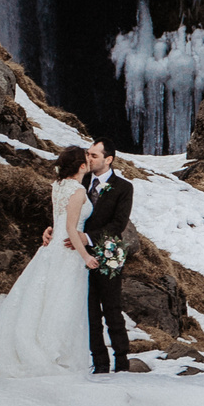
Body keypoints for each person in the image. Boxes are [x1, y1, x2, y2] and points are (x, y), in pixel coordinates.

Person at [0, 146, 96, 377]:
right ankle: (54, 351)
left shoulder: (58, 186)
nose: (90, 161)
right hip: (68, 250)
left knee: (43, 297)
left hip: (52, 248)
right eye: (87, 158)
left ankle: (43, 345)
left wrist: (51, 231)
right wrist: (86, 256)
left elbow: (58, 221)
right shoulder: (77, 190)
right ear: (81, 166)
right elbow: (71, 228)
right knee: (63, 298)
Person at [80, 141, 135, 373]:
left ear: (108, 159)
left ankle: (121, 360)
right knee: (90, 310)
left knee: (111, 308)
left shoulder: (123, 187)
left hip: (108, 253)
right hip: (79, 255)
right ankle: (99, 362)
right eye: (87, 155)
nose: (88, 159)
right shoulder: (80, 182)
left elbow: (118, 224)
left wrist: (88, 238)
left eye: (93, 155)